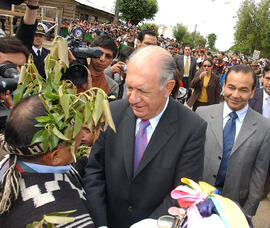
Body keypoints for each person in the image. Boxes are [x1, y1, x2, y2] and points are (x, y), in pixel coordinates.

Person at [83, 46, 207, 228]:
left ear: (168, 88)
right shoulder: (113, 112)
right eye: (129, 88)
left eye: (143, 91)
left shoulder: (192, 128)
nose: (132, 98)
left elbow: (183, 193)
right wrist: (101, 223)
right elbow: (94, 172)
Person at [0, 95, 94, 227]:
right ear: (55, 156)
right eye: (78, 131)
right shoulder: (67, 217)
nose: (81, 138)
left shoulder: (8, 164)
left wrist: (84, 161)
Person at [196, 64, 270, 217]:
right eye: (231, 87)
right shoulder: (202, 114)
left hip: (236, 206)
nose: (236, 95)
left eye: (243, 90)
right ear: (223, 86)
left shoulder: (264, 127)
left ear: (252, 92)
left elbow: (259, 173)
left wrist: (248, 212)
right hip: (197, 200)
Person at [249, 64, 270, 199]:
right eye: (268, 78)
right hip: (255, 143)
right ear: (262, 78)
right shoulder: (251, 97)